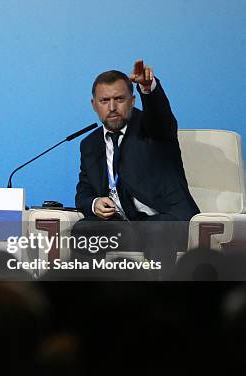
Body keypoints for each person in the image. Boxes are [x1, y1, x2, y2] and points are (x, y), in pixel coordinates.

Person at [73, 60, 199, 271]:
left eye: (119, 99)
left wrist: (148, 89)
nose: (112, 107)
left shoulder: (152, 129)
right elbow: (83, 190)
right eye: (104, 100)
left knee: (156, 230)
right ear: (93, 104)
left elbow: (161, 117)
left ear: (132, 100)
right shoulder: (90, 144)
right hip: (121, 224)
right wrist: (95, 202)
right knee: (84, 229)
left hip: (166, 220)